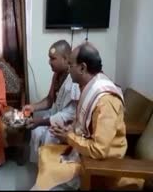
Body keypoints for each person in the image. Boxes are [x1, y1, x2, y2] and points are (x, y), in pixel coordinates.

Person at [31, 42, 144, 190]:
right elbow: (82, 123)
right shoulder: (88, 86)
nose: (68, 70)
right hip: (84, 153)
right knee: (47, 153)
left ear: (82, 68)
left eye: (71, 65)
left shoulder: (105, 100)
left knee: (50, 178)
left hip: (101, 165)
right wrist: (68, 131)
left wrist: (69, 138)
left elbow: (99, 150)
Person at [23, 40, 80, 163]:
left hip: (69, 124)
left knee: (49, 136)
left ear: (65, 59)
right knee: (37, 131)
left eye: (53, 58)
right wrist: (33, 107)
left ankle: (54, 176)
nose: (49, 62)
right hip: (56, 117)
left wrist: (40, 121)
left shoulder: (75, 79)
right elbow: (50, 100)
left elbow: (70, 114)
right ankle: (43, 170)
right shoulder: (57, 75)